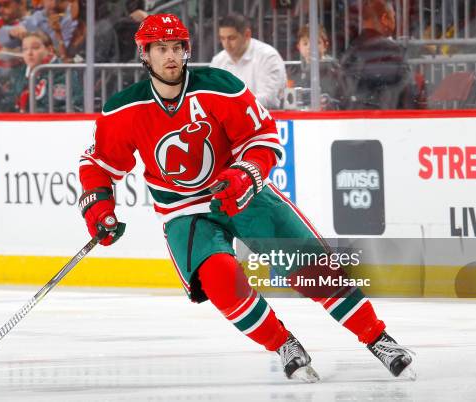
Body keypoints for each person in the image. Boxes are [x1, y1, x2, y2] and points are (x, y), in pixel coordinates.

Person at [78, 13, 416, 382]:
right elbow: (99, 165)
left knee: (314, 268)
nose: (171, 55)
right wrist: (99, 208)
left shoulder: (219, 86)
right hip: (184, 212)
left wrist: (243, 175)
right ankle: (283, 344)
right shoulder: (124, 109)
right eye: (161, 48)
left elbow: (263, 139)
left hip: (241, 193)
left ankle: (378, 338)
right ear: (145, 54)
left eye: (177, 47)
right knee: (222, 281)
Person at [339, 0, 418, 110]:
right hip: (388, 120)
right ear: (385, 19)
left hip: (356, 119)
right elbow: (408, 96)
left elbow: (343, 94)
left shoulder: (350, 52)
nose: (394, 21)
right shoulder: (395, 52)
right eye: (393, 17)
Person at [210, 13, 286, 109]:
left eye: (232, 38)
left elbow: (269, 99)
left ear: (247, 35)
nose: (226, 44)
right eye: (222, 38)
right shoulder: (218, 61)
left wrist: (230, 103)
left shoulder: (268, 57)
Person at [3, 31, 82, 112]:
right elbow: (7, 102)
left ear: (49, 50)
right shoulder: (18, 73)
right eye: (25, 49)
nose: (29, 53)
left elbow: (75, 107)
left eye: (35, 47)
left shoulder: (64, 73)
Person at [287, 24, 344, 110]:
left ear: (325, 45)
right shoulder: (293, 70)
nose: (310, 47)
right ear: (299, 47)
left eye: (317, 42)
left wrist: (329, 102)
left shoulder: (335, 68)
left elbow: (343, 98)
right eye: (305, 43)